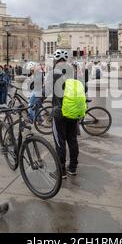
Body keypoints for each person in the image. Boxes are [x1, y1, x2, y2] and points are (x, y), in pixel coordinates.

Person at [48, 49, 80, 178]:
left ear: (55, 60)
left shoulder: (53, 72)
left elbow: (46, 90)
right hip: (73, 110)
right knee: (72, 140)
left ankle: (61, 171)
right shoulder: (73, 72)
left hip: (59, 112)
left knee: (60, 142)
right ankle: (72, 168)